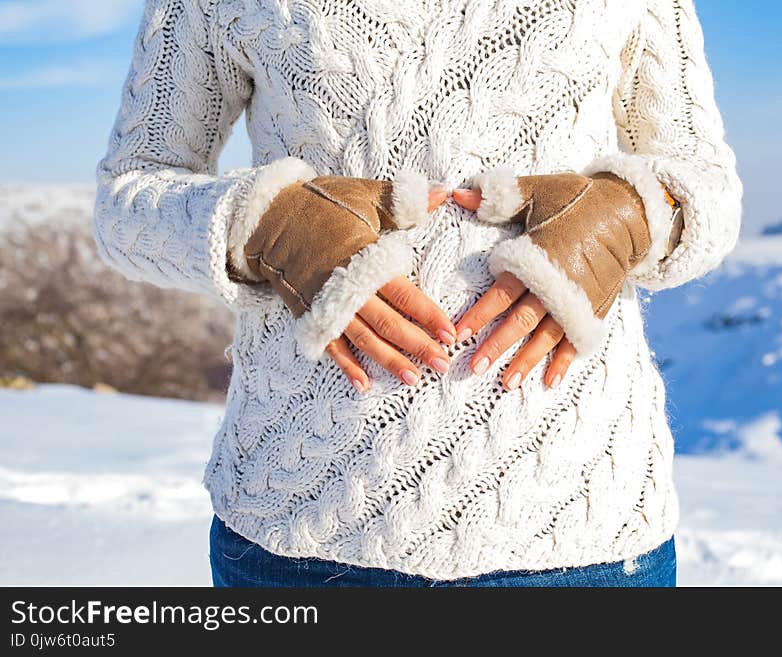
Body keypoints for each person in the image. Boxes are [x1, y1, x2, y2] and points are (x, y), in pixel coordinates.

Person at [94, 0, 741, 587]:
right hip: (297, 523)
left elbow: (707, 188)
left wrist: (627, 215)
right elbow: (128, 200)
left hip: (575, 521)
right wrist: (264, 225)